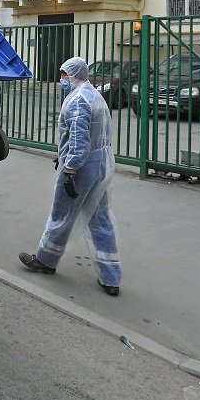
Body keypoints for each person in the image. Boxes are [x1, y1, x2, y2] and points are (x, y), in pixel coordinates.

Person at [18, 56, 122, 296]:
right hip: (103, 164)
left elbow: (79, 143)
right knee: (100, 218)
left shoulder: (77, 101)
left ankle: (46, 260)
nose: (62, 79)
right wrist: (63, 154)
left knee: (62, 214)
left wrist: (70, 168)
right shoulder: (94, 95)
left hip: (83, 168)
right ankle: (111, 277)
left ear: (74, 75)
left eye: (64, 74)